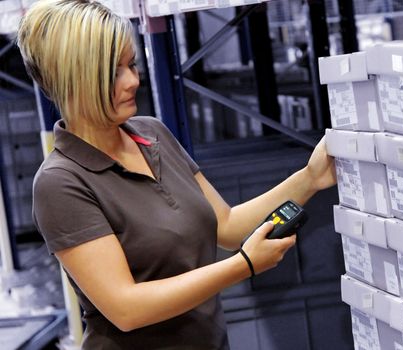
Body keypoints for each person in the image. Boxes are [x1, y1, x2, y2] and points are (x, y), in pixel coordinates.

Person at [17, 0, 336, 349]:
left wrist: (310, 178)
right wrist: (243, 265)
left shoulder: (152, 134)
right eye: (114, 72)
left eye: (132, 65)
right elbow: (126, 308)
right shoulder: (61, 182)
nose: (133, 81)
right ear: (74, 81)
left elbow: (226, 225)